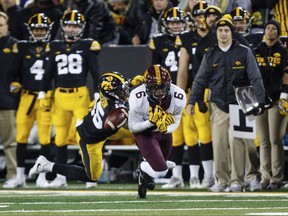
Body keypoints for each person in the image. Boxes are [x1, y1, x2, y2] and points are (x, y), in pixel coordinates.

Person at [186, 16, 266, 192]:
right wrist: (191, 102)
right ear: (216, 33)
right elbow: (199, 80)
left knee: (244, 142)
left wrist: (260, 100)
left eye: (226, 30)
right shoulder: (210, 53)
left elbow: (255, 77)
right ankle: (222, 180)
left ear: (232, 33)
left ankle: (245, 178)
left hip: (242, 103)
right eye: (220, 30)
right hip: (218, 103)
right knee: (220, 143)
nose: (223, 33)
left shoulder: (244, 51)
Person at [29, 72, 135, 185]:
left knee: (140, 132)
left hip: (100, 128)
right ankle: (47, 165)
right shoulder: (111, 112)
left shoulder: (106, 94)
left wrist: (131, 82)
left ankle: (147, 166)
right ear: (112, 93)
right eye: (121, 90)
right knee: (92, 177)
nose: (124, 92)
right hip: (91, 138)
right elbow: (116, 123)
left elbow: (119, 91)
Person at [38, 10, 101, 188]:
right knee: (60, 139)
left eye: (75, 25)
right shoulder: (55, 45)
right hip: (59, 96)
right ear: (63, 26)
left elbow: (96, 73)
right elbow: (48, 72)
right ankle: (61, 177)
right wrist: (43, 92)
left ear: (81, 27)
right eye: (69, 25)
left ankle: (90, 175)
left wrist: (97, 94)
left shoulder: (88, 45)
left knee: (85, 136)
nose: (71, 29)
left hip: (80, 95)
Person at [8, 13, 54, 188]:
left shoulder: (54, 47)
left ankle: (42, 177)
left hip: (46, 97)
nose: (40, 32)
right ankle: (20, 176)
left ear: (48, 30)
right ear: (31, 30)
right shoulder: (22, 47)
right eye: (37, 29)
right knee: (21, 136)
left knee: (44, 138)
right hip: (27, 96)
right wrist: (14, 83)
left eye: (42, 29)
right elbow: (13, 73)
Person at [172, 1, 214, 190]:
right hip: (194, 91)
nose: (201, 19)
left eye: (203, 15)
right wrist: (180, 97)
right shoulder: (187, 38)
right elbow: (182, 71)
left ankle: (214, 175)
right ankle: (199, 176)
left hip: (215, 90)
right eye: (197, 15)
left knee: (210, 135)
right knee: (191, 135)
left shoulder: (217, 34)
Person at [128, 64, 186, 198]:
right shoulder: (137, 96)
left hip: (164, 133)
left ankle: (145, 175)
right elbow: (132, 127)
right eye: (155, 87)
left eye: (162, 86)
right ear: (147, 87)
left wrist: (164, 128)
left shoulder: (178, 95)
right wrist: (151, 123)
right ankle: (143, 167)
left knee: (160, 165)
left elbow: (176, 121)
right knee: (161, 171)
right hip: (145, 133)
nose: (159, 91)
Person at [254, 20, 288, 190]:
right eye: (268, 28)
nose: (270, 31)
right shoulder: (256, 50)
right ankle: (265, 177)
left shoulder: (283, 51)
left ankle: (277, 177)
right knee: (264, 140)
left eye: (274, 28)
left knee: (276, 139)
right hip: (260, 100)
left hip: (277, 100)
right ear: (264, 31)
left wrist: (285, 94)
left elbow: (287, 73)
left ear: (278, 32)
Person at [0, 12, 19, 188]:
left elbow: (20, 76)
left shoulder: (15, 47)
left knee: (10, 142)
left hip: (6, 103)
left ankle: (13, 175)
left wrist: (14, 97)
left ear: (7, 26)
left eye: (0, 25)